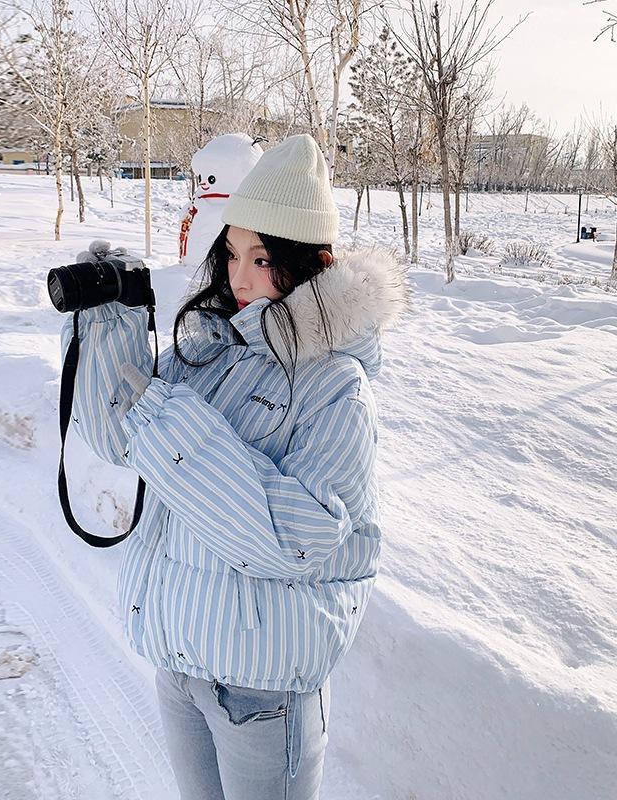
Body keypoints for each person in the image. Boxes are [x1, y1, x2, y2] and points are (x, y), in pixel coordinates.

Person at [60, 134, 407, 799]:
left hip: (260, 690)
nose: (239, 278)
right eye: (230, 253)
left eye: (262, 258)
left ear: (314, 265)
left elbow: (296, 536)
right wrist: (111, 323)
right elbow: (119, 437)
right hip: (180, 668)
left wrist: (167, 419)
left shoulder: (337, 388)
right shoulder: (215, 351)